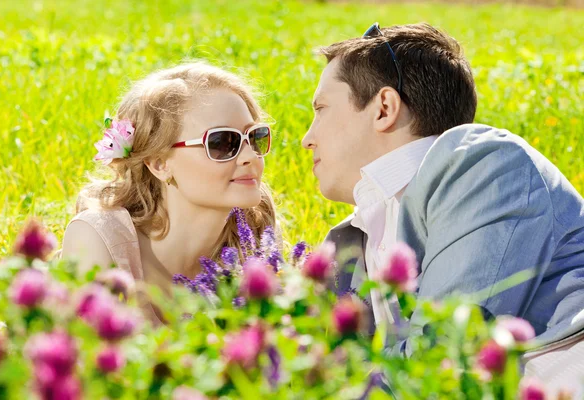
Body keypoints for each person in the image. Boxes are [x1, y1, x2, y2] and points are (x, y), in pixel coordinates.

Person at [302, 22, 584, 395]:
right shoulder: (349, 238)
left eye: (321, 109)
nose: (307, 139)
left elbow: (441, 360)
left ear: (383, 108)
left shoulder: (481, 163)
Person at [61, 62, 277, 323]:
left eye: (254, 137)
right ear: (159, 164)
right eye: (222, 142)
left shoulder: (254, 234)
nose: (249, 156)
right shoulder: (99, 238)